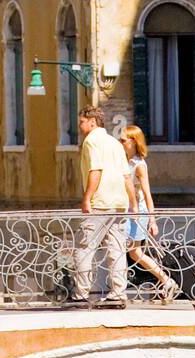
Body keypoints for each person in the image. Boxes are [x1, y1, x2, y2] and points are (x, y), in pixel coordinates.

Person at [72, 108, 137, 307]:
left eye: (82, 122)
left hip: (99, 203)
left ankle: (81, 295)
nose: (80, 126)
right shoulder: (115, 143)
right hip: (119, 204)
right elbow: (126, 177)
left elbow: (96, 171)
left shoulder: (91, 141)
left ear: (92, 121)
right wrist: (133, 203)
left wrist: (87, 198)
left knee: (84, 248)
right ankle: (118, 293)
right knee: (117, 250)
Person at [120, 125, 179, 303]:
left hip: (137, 213)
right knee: (130, 252)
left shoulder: (139, 165)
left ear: (133, 142)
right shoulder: (125, 161)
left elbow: (147, 194)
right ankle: (165, 281)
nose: (120, 143)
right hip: (127, 211)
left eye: (123, 140)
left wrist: (152, 221)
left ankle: (165, 280)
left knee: (133, 252)